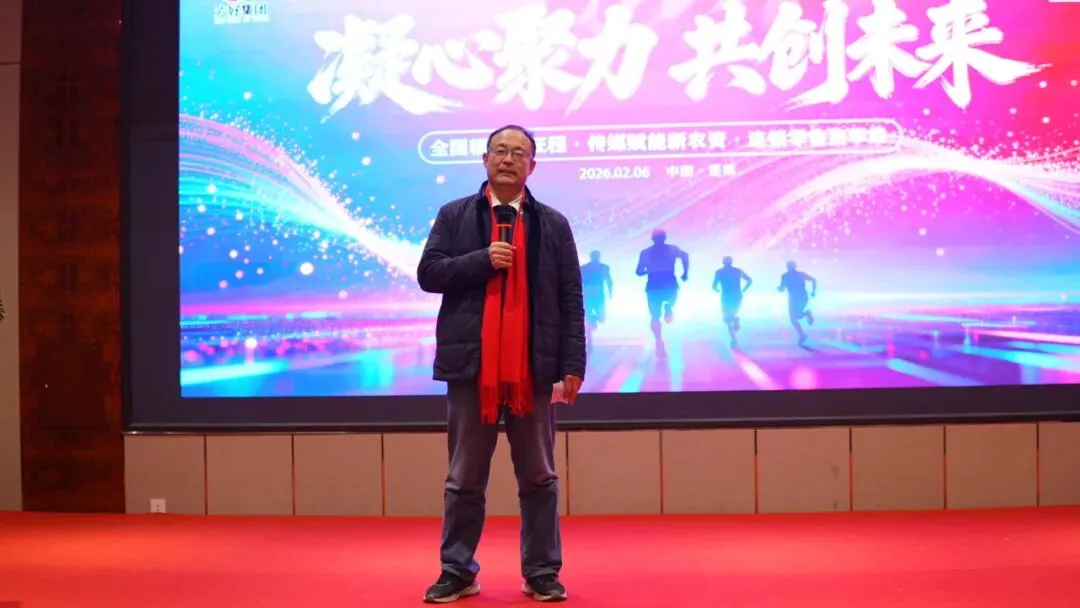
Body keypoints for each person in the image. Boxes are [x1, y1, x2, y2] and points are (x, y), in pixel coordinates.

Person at [416, 125, 586, 604]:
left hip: (533, 369)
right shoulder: (455, 215)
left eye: (519, 153)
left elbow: (570, 298)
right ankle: (457, 570)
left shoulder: (553, 224)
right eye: (500, 151)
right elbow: (429, 273)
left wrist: (572, 363)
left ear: (532, 166)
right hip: (472, 369)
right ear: (485, 159)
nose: (508, 159)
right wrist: (482, 259)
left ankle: (541, 572)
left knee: (539, 477)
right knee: (464, 478)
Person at [635, 229, 688, 357]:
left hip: (654, 282)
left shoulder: (646, 252)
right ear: (664, 238)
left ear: (652, 239)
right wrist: (685, 272)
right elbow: (685, 256)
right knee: (670, 299)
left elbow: (639, 271)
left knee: (655, 316)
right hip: (667, 279)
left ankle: (658, 339)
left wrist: (649, 270)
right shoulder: (671, 249)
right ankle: (668, 307)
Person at [712, 256, 752, 347]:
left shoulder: (719, 272)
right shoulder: (738, 271)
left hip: (726, 296)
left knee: (727, 318)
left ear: (723, 263)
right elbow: (749, 280)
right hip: (737, 295)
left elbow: (714, 286)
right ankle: (734, 323)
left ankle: (733, 338)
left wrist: (717, 290)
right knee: (730, 316)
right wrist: (744, 289)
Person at [777, 261, 817, 345]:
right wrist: (813, 291)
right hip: (800, 297)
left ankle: (802, 334)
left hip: (795, 298)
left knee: (794, 318)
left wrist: (779, 288)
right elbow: (813, 280)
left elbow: (782, 289)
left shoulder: (786, 276)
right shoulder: (799, 274)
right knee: (794, 317)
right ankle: (806, 316)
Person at [580, 250, 613, 349]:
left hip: (592, 294)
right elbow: (609, 281)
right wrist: (610, 293)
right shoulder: (603, 267)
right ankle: (590, 334)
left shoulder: (585, 268)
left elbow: (609, 281)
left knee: (598, 317)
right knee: (596, 316)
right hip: (594, 294)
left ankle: (591, 327)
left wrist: (610, 292)